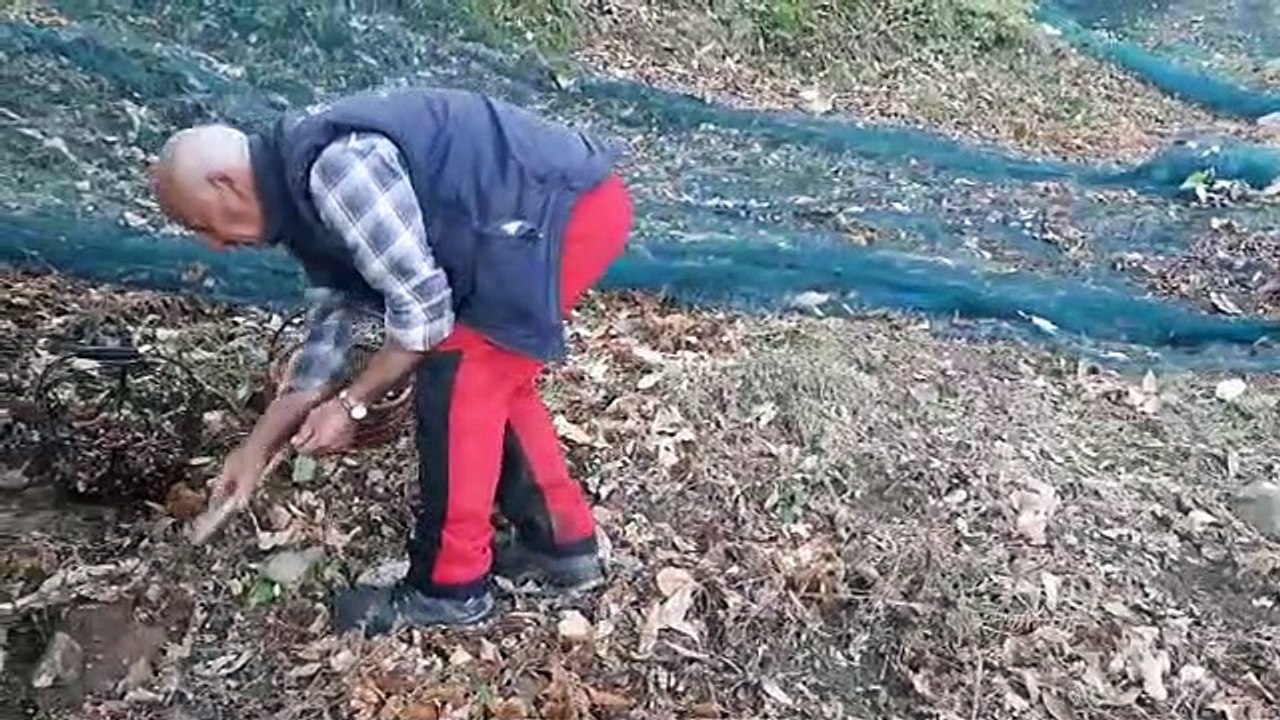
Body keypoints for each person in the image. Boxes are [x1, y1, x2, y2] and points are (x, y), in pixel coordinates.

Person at [149, 86, 633, 637]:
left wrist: (351, 406)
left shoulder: (338, 172)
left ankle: (450, 588)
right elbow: (338, 320)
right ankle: (561, 545)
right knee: (496, 378)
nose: (213, 245)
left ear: (226, 183)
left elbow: (424, 318)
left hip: (563, 214)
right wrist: (255, 449)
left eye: (200, 224)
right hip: (555, 211)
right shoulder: (297, 188)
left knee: (459, 381)